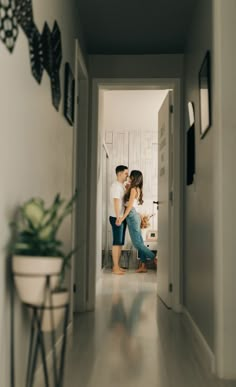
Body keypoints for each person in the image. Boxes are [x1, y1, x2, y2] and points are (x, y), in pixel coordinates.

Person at [116, 170, 157, 273]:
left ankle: (155, 258)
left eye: (130, 176)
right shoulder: (135, 188)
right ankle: (143, 266)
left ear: (134, 178)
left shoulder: (134, 189)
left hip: (131, 215)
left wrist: (122, 218)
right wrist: (126, 188)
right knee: (140, 242)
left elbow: (129, 206)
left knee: (137, 243)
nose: (129, 177)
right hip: (134, 215)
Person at [109, 165, 129, 275]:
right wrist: (118, 217)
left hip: (121, 217)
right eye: (126, 173)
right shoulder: (116, 186)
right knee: (116, 242)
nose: (127, 175)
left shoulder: (121, 186)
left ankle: (117, 266)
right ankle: (115, 267)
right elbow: (116, 201)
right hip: (117, 217)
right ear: (119, 174)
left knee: (120, 242)